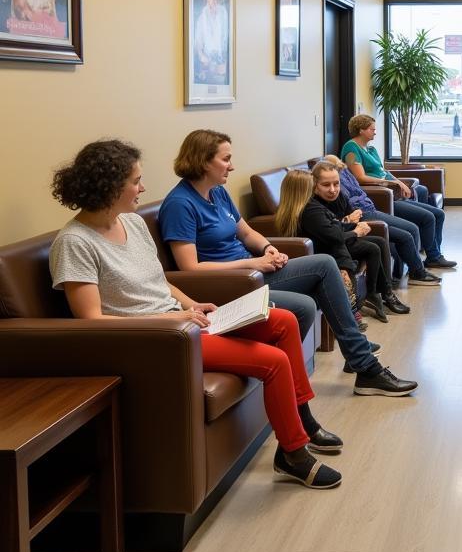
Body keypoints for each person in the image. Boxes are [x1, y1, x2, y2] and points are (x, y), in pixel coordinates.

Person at [49, 139, 343, 489]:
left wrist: (190, 304)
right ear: (109, 186)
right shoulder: (75, 242)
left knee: (283, 320)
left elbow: (158, 282)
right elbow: (91, 321)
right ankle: (293, 453)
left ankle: (302, 419)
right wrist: (172, 320)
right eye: (136, 181)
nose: (143, 188)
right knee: (274, 361)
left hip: (181, 321)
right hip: (158, 339)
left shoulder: (132, 223)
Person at [157, 130, 418, 397]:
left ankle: (361, 363)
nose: (232, 166)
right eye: (226, 159)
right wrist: (255, 265)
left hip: (253, 270)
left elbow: (246, 233)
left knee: (325, 264)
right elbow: (190, 268)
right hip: (231, 284)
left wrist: (269, 249)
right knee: (311, 293)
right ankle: (357, 366)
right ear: (203, 161)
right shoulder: (180, 204)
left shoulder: (218, 193)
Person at [277, 166, 411, 318]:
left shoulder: (318, 204)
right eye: (322, 185)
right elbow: (332, 234)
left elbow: (336, 224)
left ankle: (381, 293)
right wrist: (355, 230)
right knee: (372, 247)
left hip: (331, 239)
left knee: (378, 243)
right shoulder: (311, 209)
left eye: (337, 183)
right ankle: (365, 300)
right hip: (324, 245)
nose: (333, 189)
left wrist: (351, 223)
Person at [341, 115, 456, 271]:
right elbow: (359, 177)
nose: (375, 132)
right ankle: (433, 257)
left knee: (438, 214)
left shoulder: (371, 149)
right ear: (361, 130)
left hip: (391, 190)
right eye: (372, 129)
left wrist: (399, 182)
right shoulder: (350, 148)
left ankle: (434, 254)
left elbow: (383, 171)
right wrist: (390, 183)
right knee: (428, 217)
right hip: (383, 196)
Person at [323, 156, 443, 287]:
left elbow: (359, 191)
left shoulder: (345, 171)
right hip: (363, 213)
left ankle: (415, 270)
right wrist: (350, 217)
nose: (332, 188)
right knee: (409, 232)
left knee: (413, 227)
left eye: (335, 183)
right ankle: (417, 272)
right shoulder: (336, 183)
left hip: (368, 208)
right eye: (327, 184)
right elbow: (349, 202)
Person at [194, 0, 228, 84]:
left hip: (222, 71)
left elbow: (228, 43)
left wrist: (225, 63)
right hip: (207, 71)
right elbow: (198, 47)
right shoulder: (201, 17)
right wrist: (202, 57)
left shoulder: (223, 13)